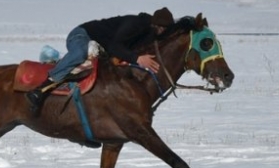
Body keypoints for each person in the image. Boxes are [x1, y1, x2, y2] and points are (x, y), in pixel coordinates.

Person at [27, 7, 175, 112]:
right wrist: (137, 58)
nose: (162, 32)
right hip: (82, 35)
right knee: (80, 53)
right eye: (161, 28)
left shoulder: (150, 35)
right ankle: (42, 87)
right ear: (155, 24)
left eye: (165, 30)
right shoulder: (135, 24)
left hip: (101, 49)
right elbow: (115, 45)